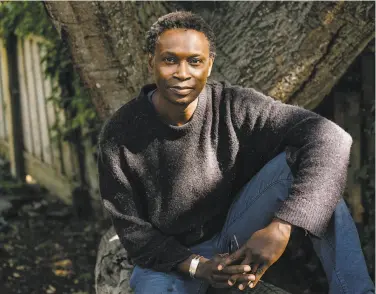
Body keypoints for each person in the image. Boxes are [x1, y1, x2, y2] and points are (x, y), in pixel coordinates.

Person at [98, 11, 374, 294]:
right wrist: (197, 265)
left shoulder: (234, 105)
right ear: (151, 62)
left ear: (209, 65)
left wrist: (282, 226)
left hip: (233, 235)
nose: (182, 73)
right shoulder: (120, 133)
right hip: (170, 263)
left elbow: (331, 137)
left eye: (195, 61)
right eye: (170, 60)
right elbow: (134, 233)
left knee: (319, 170)